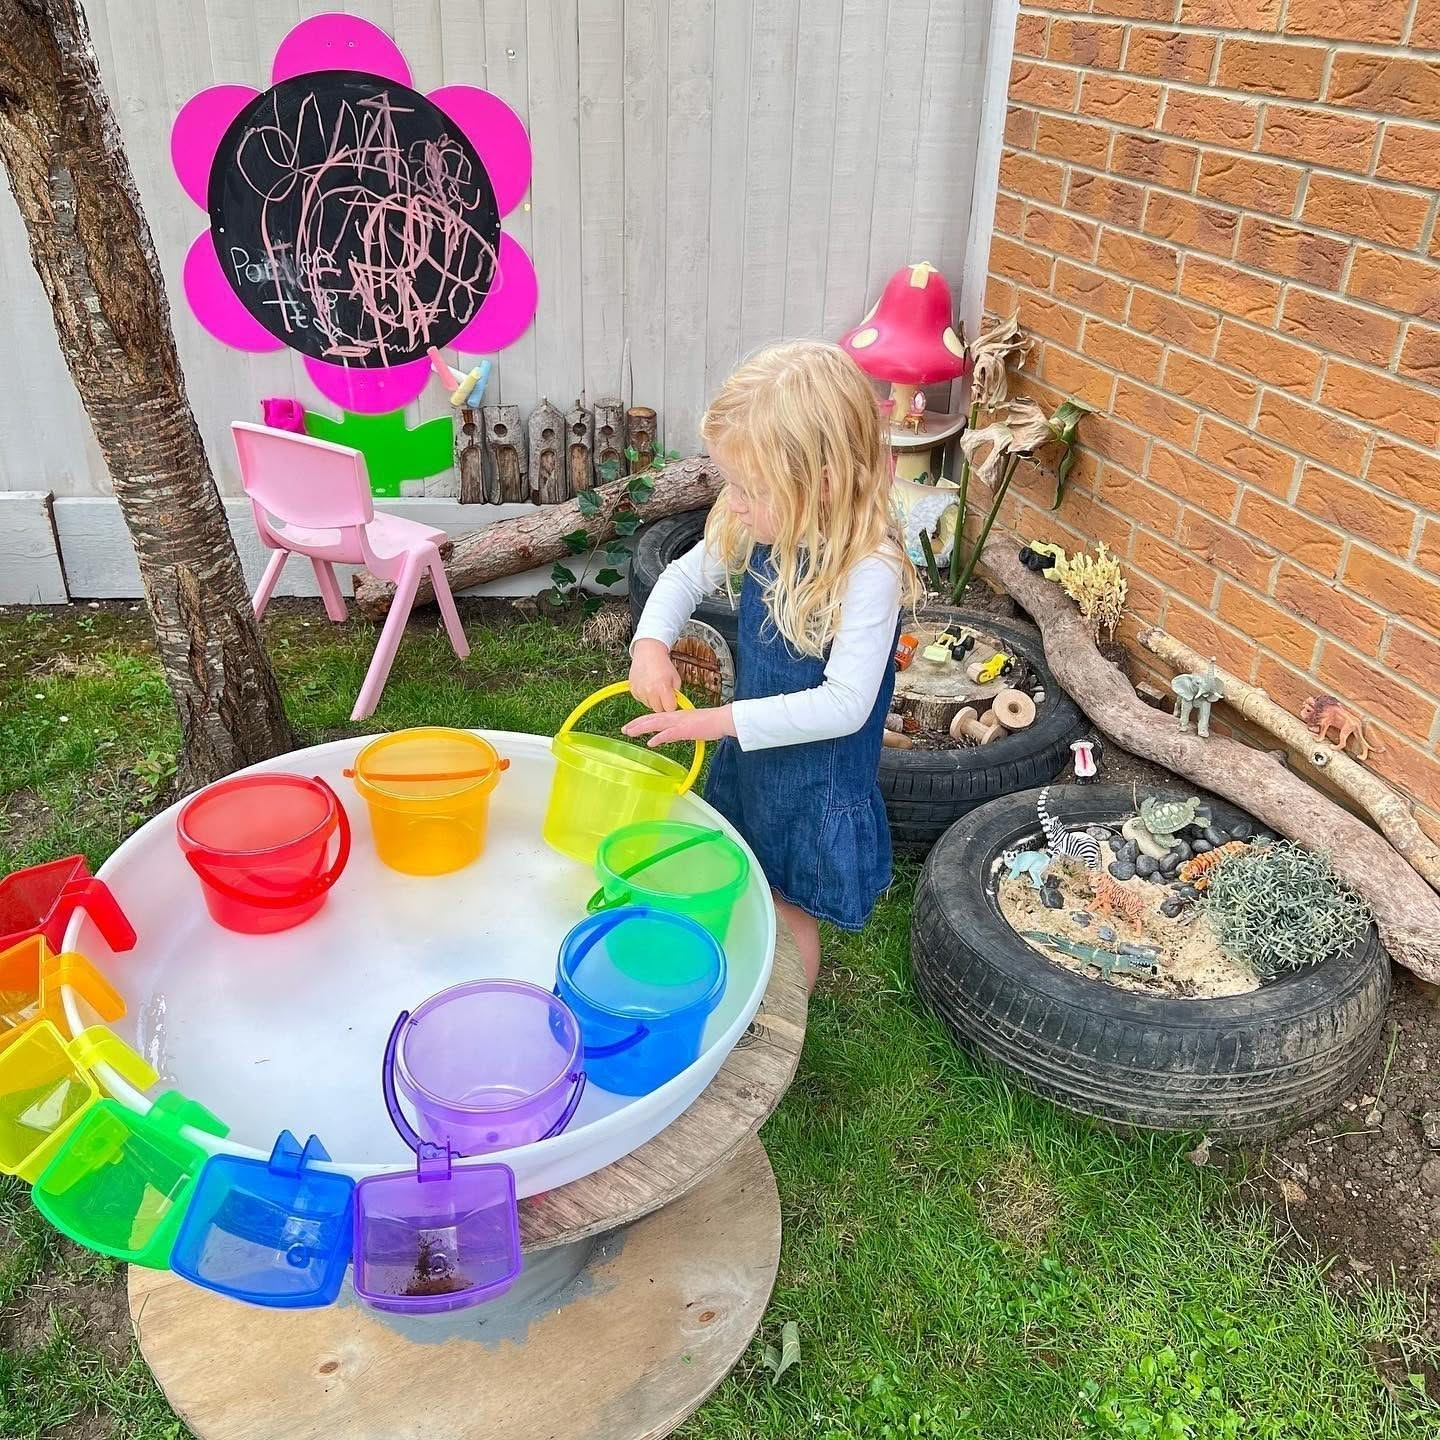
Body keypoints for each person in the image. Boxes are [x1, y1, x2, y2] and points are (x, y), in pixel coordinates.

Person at [625, 340, 921, 991]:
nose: (733, 503)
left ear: (822, 482)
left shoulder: (868, 569)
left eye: (751, 488)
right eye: (731, 482)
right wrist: (649, 643)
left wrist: (718, 721)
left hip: (814, 787)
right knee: (742, 877)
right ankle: (738, 985)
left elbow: (845, 705)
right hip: (754, 763)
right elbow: (681, 575)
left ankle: (781, 1018)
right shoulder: (756, 524)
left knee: (789, 912)